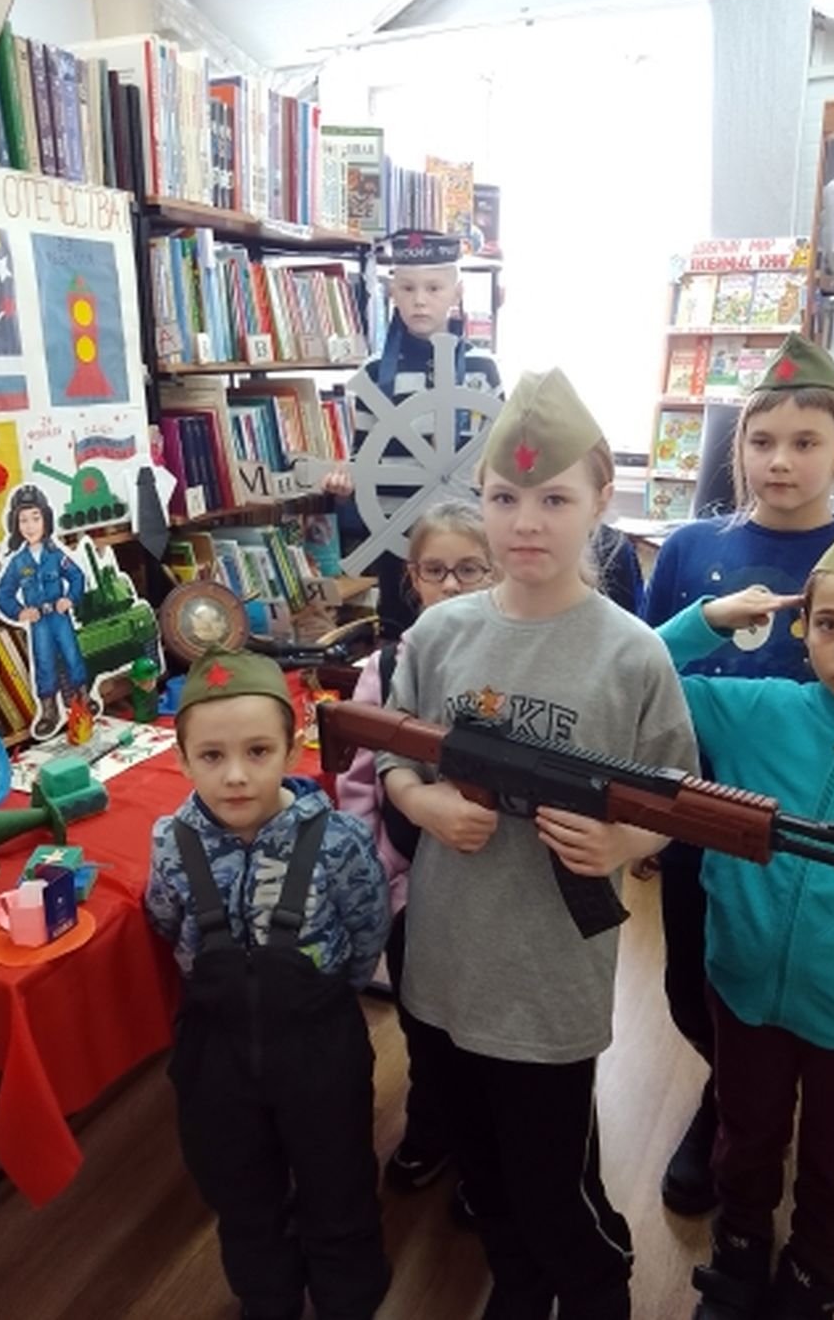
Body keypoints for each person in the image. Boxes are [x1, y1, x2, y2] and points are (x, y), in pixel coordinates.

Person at [377, 367, 699, 1320]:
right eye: (505, 497)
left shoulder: (633, 651)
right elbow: (393, 754)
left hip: (550, 976)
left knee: (555, 1184)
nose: (526, 522)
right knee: (483, 1171)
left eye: (554, 498)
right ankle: (516, 1290)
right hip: (446, 958)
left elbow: (676, 797)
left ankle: (596, 1291)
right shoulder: (438, 635)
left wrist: (619, 841)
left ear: (601, 501)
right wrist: (426, 805)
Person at [655, 505, 834, 1320]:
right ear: (802, 626)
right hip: (743, 990)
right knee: (743, 1134)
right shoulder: (758, 711)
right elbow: (638, 670)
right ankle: (740, 1249)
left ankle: (814, 1275)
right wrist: (706, 618)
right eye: (830, 624)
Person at [640, 333, 834, 1217]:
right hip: (692, 811)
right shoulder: (690, 548)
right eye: (763, 441)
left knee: (780, 986)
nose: (781, 461)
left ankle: (746, 1116)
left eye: (806, 442)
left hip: (808, 823)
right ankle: (730, 1091)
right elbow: (644, 678)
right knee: (690, 987)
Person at [144, 648, 391, 1320]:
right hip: (216, 1053)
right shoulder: (170, 843)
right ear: (182, 758)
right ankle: (267, 1296)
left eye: (257, 751)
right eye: (212, 755)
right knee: (239, 1189)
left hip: (319, 1047)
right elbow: (164, 917)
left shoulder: (338, 840)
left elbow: (367, 927)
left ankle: (349, 1295)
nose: (235, 775)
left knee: (338, 1179)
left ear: (293, 744)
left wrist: (330, 995)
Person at [337, 500, 494, 1194]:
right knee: (422, 1016)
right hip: (410, 885)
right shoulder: (386, 665)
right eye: (437, 570)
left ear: (495, 573)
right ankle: (432, 1122)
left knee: (483, 1021)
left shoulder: (508, 661)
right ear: (414, 579)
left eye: (470, 569)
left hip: (490, 887)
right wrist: (383, 881)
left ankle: (484, 1142)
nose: (452, 584)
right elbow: (358, 782)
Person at [323, 229, 503, 637]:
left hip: (466, 541)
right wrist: (346, 481)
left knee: (472, 635)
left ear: (456, 292)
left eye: (433, 288)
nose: (420, 299)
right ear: (392, 293)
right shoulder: (374, 374)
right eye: (407, 288)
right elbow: (363, 456)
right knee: (399, 635)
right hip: (396, 538)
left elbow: (499, 454)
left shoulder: (483, 369)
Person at [0, 482, 94, 739]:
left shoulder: (56, 555)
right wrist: (19, 612)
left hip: (60, 616)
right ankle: (49, 710)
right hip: (38, 622)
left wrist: (69, 598)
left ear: (46, 519)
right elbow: (2, 594)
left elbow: (77, 576)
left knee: (72, 654)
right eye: (23, 520)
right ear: (16, 525)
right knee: (44, 661)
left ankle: (84, 696)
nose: (30, 526)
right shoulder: (18, 562)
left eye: (35, 518)